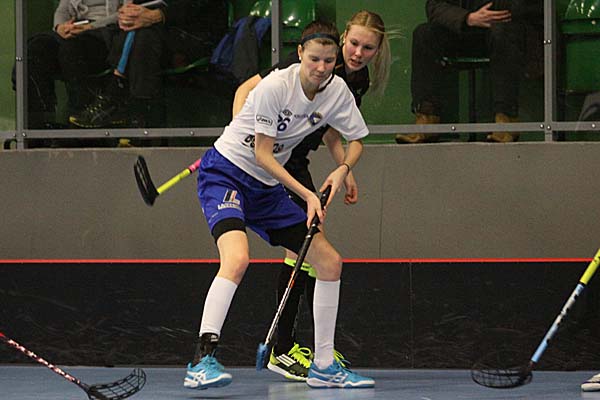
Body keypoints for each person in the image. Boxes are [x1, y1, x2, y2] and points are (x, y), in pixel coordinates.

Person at [184, 21, 375, 390]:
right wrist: (307, 194)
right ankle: (201, 360)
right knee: (237, 259)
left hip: (267, 188)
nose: (321, 68)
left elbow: (356, 140)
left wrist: (342, 169)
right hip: (226, 174)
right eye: (314, 59)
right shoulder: (275, 86)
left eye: (328, 61)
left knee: (329, 262)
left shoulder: (337, 90)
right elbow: (263, 154)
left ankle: (323, 366)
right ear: (300, 54)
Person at [231, 10, 392, 381]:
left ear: (378, 49)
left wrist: (344, 168)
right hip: (276, 162)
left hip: (298, 161)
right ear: (344, 37)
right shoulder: (314, 58)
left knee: (308, 250)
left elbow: (332, 128)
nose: (358, 53)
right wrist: (243, 137)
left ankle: (308, 349)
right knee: (306, 249)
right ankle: (283, 349)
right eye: (354, 43)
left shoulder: (356, 79)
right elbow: (245, 90)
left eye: (368, 48)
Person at [69, 0, 228, 129]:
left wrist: (159, 14)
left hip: (198, 33)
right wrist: (130, 13)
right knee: (135, 31)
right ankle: (125, 109)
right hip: (159, 31)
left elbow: (201, 8)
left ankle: (129, 108)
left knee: (144, 37)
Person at [395, 0, 536, 144]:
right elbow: (434, 6)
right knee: (424, 34)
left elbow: (525, 8)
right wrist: (468, 18)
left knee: (503, 32)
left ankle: (506, 121)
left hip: (506, 29)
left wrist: (494, 14)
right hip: (465, 28)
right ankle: (427, 120)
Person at [14, 0, 122, 129]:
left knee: (70, 48)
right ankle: (40, 122)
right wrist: (60, 27)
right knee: (34, 49)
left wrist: (89, 27)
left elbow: (126, 12)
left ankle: (81, 116)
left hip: (106, 31)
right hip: (73, 27)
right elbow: (63, 9)